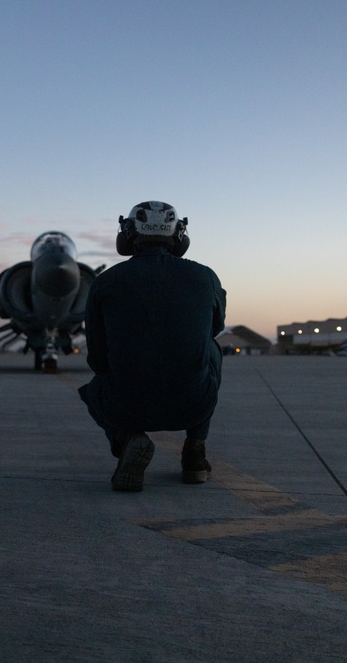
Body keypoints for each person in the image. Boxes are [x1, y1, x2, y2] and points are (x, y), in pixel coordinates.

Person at [78, 201, 226, 492]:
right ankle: (195, 451)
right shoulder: (205, 277)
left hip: (126, 405)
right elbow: (215, 328)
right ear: (179, 234)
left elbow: (96, 358)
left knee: (94, 388)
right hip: (193, 404)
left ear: (128, 233)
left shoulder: (105, 282)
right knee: (210, 350)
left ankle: (127, 438)